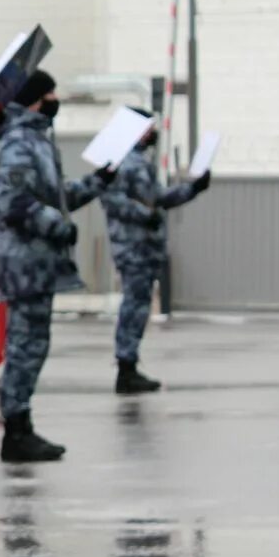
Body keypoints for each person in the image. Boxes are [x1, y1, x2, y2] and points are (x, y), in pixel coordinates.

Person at [0, 71, 112, 461]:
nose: (57, 98)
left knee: (32, 346)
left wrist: (98, 182)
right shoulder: (19, 143)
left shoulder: (36, 141)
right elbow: (12, 201)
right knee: (25, 347)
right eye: (52, 92)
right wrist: (57, 226)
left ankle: (21, 425)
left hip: (36, 264)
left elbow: (54, 198)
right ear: (37, 99)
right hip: (24, 264)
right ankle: (16, 430)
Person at [100, 111, 210, 394]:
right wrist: (142, 214)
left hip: (146, 246)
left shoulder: (140, 162)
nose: (153, 133)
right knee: (134, 305)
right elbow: (111, 199)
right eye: (149, 128)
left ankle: (130, 364)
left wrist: (192, 189)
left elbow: (158, 199)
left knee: (139, 306)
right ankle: (125, 367)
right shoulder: (118, 160)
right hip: (132, 245)